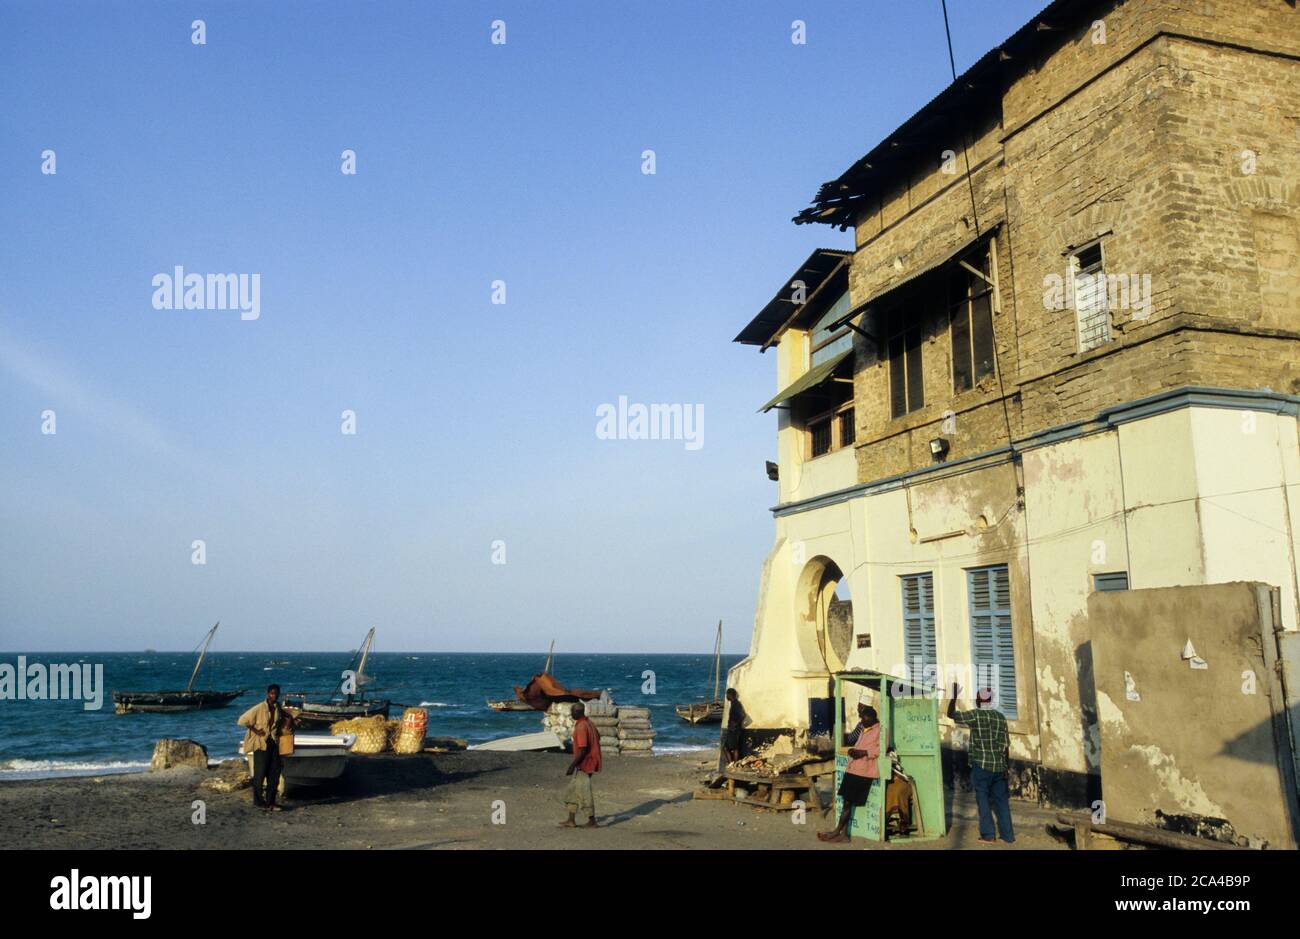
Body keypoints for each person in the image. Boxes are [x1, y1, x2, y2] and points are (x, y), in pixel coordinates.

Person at [948, 681, 1014, 844]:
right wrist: (1006, 767)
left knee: (983, 800)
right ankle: (1008, 836)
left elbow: (951, 714)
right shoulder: (1000, 717)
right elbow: (1005, 745)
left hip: (981, 765)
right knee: (1001, 802)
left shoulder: (976, 715)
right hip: (999, 766)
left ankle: (988, 835)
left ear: (978, 701)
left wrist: (954, 696)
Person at [818, 702, 881, 843]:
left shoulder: (880, 730)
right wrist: (853, 750)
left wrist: (864, 752)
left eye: (864, 719)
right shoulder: (864, 728)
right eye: (861, 719)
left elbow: (882, 749)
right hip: (853, 769)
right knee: (846, 802)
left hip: (863, 772)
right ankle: (843, 834)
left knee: (847, 803)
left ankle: (837, 831)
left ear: (871, 718)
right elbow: (857, 744)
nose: (862, 722)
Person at [238, 683, 296, 812]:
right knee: (260, 774)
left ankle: (271, 802)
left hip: (273, 743)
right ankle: (259, 802)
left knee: (274, 773)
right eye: (272, 693)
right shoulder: (259, 708)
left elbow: (284, 718)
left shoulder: (277, 708)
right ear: (268, 694)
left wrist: (290, 719)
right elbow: (242, 720)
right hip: (261, 744)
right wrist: (255, 730)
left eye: (276, 693)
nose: (274, 696)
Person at [560, 701, 601, 828]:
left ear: (577, 712)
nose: (571, 714)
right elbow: (598, 738)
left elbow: (583, 749)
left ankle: (592, 820)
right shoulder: (589, 723)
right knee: (573, 790)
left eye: (572, 712)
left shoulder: (582, 726)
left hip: (585, 763)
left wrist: (572, 766)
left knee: (584, 792)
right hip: (587, 762)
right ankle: (571, 820)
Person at [723, 688, 746, 764]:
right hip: (732, 729)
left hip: (734, 730)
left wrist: (736, 724)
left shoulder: (736, 704)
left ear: (730, 695)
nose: (726, 696)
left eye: (727, 694)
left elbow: (743, 715)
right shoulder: (733, 703)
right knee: (727, 748)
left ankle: (733, 764)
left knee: (733, 748)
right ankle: (732, 764)